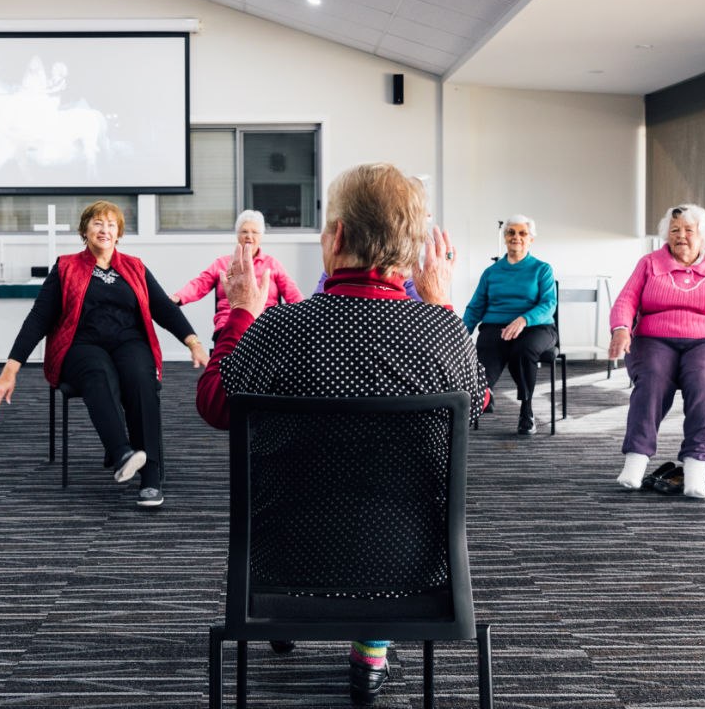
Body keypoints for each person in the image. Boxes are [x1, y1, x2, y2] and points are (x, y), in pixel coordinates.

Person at [197, 163, 487, 706]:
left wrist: (239, 314)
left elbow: (215, 402)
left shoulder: (280, 329)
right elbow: (480, 404)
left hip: (281, 560)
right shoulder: (442, 330)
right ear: (412, 249)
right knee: (383, 508)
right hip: (412, 568)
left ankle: (294, 615)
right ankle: (371, 645)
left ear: (337, 238)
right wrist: (443, 302)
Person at [0, 201, 209, 508]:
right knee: (98, 371)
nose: (105, 230)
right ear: (84, 231)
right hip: (80, 345)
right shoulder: (66, 267)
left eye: (111, 225)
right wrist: (10, 370)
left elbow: (164, 308)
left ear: (119, 233)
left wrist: (193, 341)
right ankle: (122, 453)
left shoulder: (135, 267)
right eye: (98, 224)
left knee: (141, 376)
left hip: (129, 341)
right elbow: (38, 318)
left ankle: (151, 474)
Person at [609, 204, 705, 499]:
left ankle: (696, 468)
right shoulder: (649, 263)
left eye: (688, 230)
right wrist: (620, 328)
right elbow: (626, 301)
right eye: (674, 230)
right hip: (655, 340)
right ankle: (636, 462)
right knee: (652, 379)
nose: (681, 235)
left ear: (703, 235)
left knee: (704, 378)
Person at [462, 214, 557, 435]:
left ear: (530, 239)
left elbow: (548, 304)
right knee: (485, 344)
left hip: (537, 327)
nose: (517, 237)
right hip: (496, 325)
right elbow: (476, 307)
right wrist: (461, 333)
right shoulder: (491, 273)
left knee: (523, 350)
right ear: (505, 237)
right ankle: (485, 394)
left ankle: (527, 409)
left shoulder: (542, 269)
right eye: (511, 232)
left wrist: (524, 319)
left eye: (522, 233)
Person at [171, 210, 304, 341]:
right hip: (229, 323)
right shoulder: (222, 263)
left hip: (265, 324)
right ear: (237, 235)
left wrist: (305, 312)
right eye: (244, 231)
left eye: (255, 232)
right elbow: (201, 283)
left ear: (261, 236)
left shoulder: (272, 264)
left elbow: (292, 292)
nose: (249, 236)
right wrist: (179, 297)